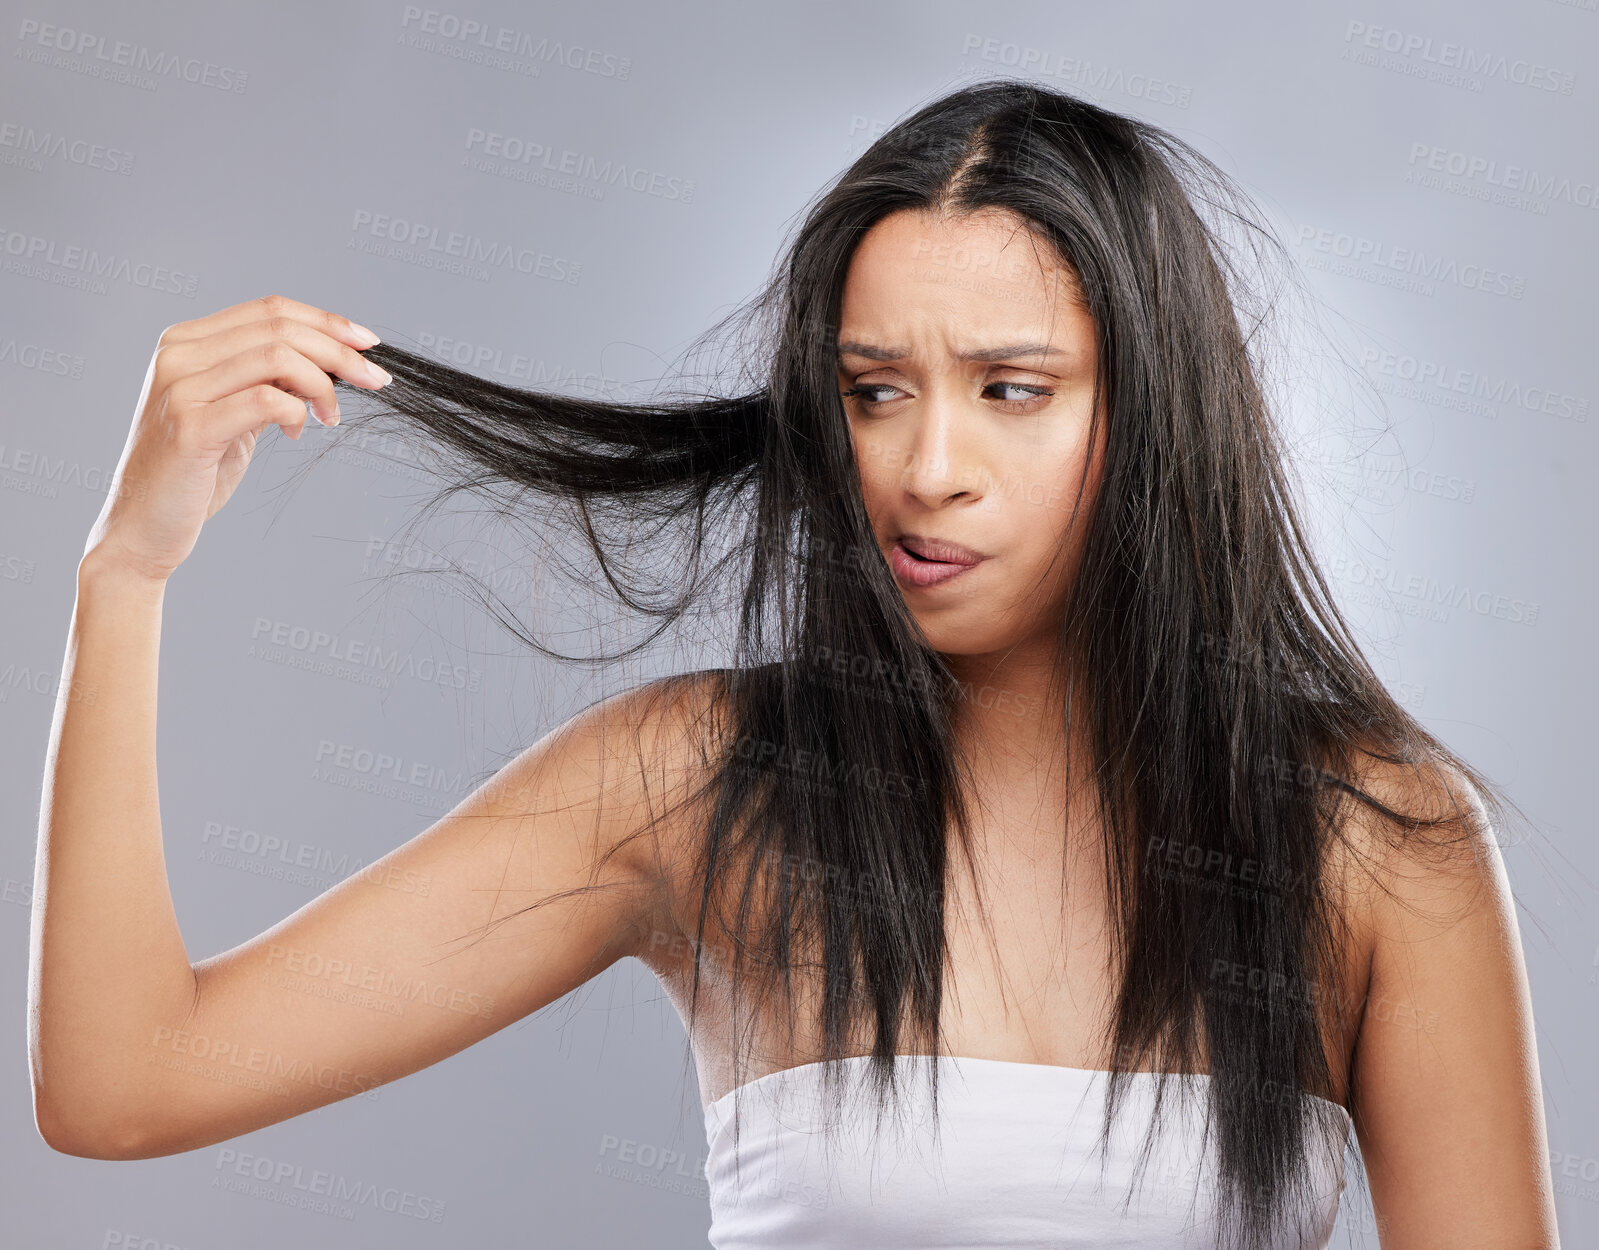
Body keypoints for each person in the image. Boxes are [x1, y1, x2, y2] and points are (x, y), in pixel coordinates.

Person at [29, 79, 1558, 1250]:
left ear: (1153, 418)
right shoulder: (696, 791)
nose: (926, 465)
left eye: (1012, 389)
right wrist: (126, 573)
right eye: (873, 390)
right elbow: (124, 1078)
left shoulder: (1373, 836)